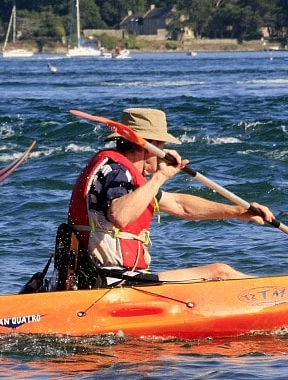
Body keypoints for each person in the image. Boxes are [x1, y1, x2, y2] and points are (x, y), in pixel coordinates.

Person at [64, 108, 276, 287]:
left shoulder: (119, 172)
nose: (163, 152)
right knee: (220, 272)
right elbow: (120, 215)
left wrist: (239, 212)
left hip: (99, 278)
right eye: (162, 147)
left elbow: (180, 205)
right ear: (150, 146)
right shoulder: (116, 171)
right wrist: (160, 176)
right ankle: (278, 296)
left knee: (219, 271)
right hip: (112, 281)